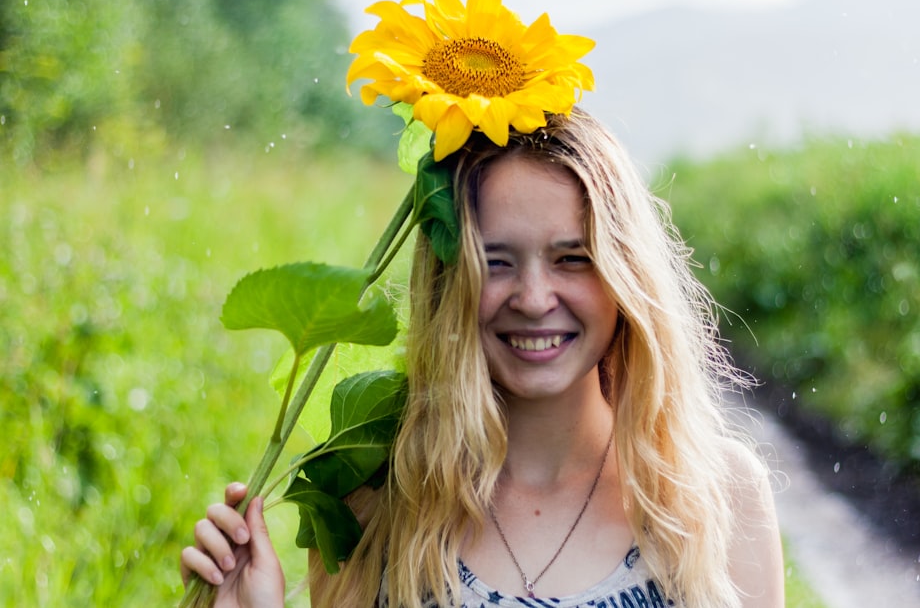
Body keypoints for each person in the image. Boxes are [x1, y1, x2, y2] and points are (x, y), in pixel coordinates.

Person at [181, 109, 785, 607]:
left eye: (572, 258)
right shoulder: (372, 504)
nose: (534, 298)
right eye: (495, 262)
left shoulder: (718, 495)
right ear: (449, 285)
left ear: (624, 277)